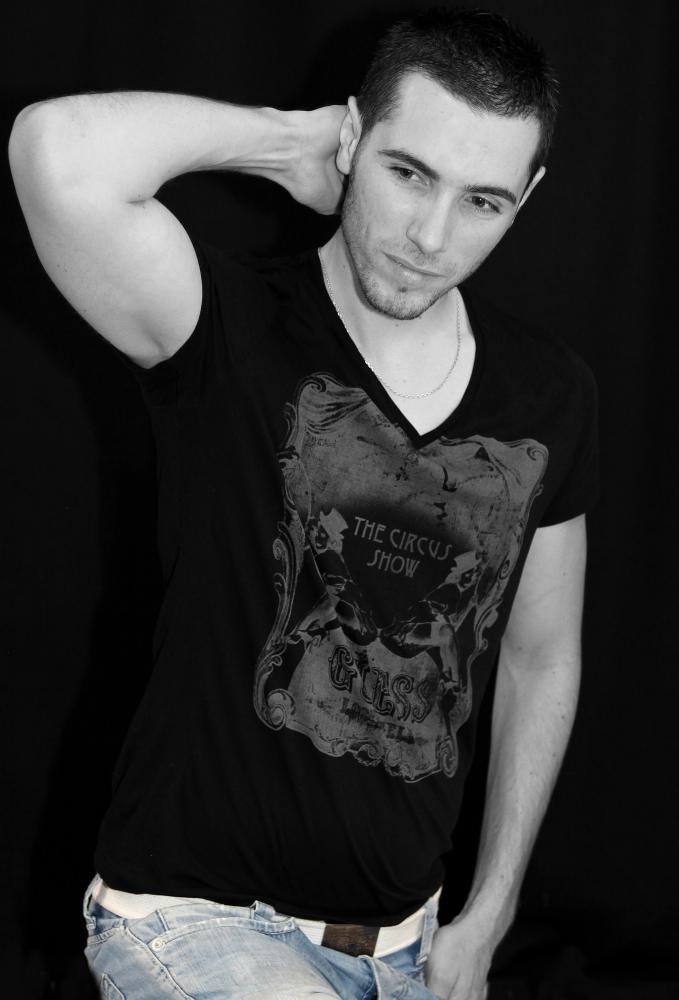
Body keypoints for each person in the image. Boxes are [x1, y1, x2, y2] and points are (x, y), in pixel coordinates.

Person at [8, 7, 598, 999]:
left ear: (526, 198)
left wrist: (488, 914)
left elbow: (542, 656)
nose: (430, 237)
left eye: (482, 201)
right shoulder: (227, 328)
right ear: (353, 138)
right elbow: (53, 150)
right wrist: (290, 142)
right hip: (193, 920)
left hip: (408, 946)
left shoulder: (547, 395)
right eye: (407, 172)